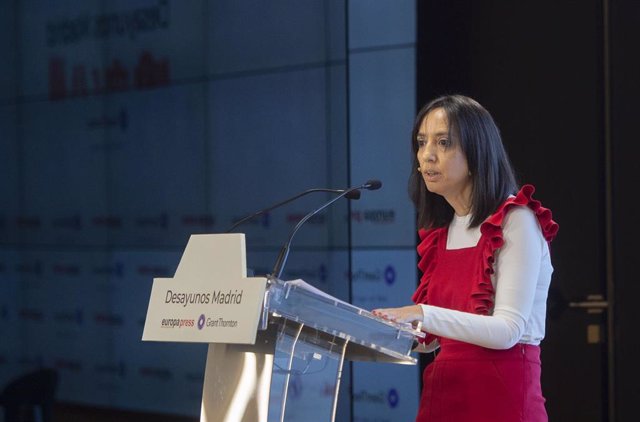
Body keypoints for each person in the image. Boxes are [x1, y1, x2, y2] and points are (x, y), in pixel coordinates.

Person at [372, 95, 558, 422]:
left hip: (502, 399)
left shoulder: (516, 220)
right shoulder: (443, 229)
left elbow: (507, 330)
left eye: (443, 143)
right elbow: (433, 340)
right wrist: (372, 331)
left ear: (476, 154)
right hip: (444, 396)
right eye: (421, 142)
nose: (427, 155)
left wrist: (422, 313)